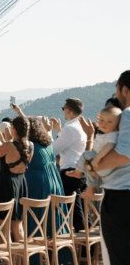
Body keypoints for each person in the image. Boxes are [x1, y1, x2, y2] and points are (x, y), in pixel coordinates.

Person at [83, 72, 130, 265]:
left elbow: (123, 154)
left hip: (122, 199)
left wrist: (93, 167)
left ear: (125, 90)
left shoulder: (128, 113)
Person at [22, 112, 67, 265]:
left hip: (37, 182)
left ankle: (36, 262)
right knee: (52, 220)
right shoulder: (47, 143)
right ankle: (55, 260)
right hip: (54, 181)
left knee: (36, 219)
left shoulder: (29, 145)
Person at [0, 114, 33, 244]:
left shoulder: (9, 146)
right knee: (18, 229)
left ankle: (9, 264)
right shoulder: (31, 146)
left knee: (3, 230)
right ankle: (23, 262)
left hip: (6, 185)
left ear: (12, 127)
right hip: (21, 184)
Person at [68, 105, 121, 199]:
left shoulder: (113, 135)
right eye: (102, 120)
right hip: (106, 171)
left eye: (110, 122)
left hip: (105, 166)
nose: (105, 124)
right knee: (89, 165)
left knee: (86, 157)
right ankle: (90, 189)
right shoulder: (107, 134)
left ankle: (78, 173)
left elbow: (109, 146)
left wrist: (97, 158)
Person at [51, 98, 88, 232]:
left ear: (69, 110)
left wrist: (47, 133)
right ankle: (86, 249)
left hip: (69, 173)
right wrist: (59, 132)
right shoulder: (78, 128)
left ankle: (83, 249)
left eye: (63, 109)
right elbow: (70, 144)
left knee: (75, 214)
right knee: (83, 212)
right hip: (80, 171)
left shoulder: (69, 128)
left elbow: (53, 150)